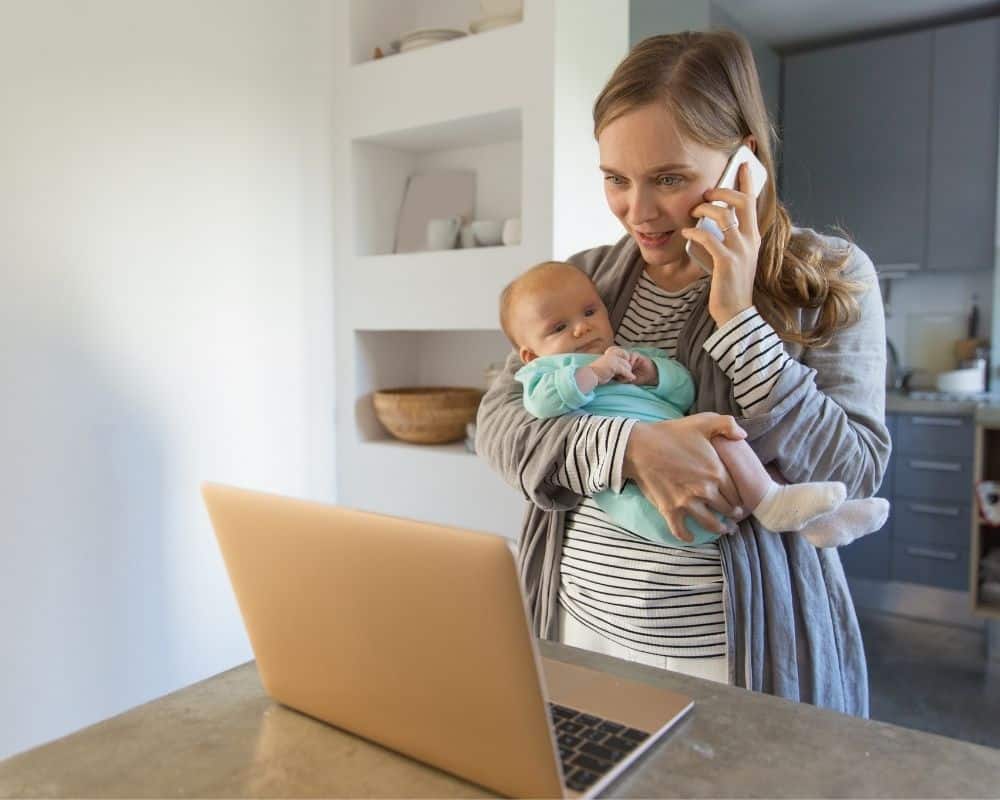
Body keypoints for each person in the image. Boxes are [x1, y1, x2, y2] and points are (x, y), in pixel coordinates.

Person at [476, 30, 890, 714]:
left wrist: (736, 315)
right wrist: (629, 449)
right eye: (616, 178)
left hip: (739, 664)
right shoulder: (587, 280)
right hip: (578, 635)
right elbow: (497, 420)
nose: (638, 212)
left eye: (669, 178)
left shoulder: (831, 276)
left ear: (743, 166)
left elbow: (855, 469)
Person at [499, 259, 889, 549]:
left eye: (589, 312)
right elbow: (536, 407)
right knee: (713, 459)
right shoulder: (546, 371)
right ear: (530, 354)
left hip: (697, 458)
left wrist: (654, 373)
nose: (582, 328)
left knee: (724, 430)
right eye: (559, 328)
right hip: (638, 497)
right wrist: (624, 438)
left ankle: (814, 518)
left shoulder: (624, 353)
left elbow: (683, 390)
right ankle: (773, 505)